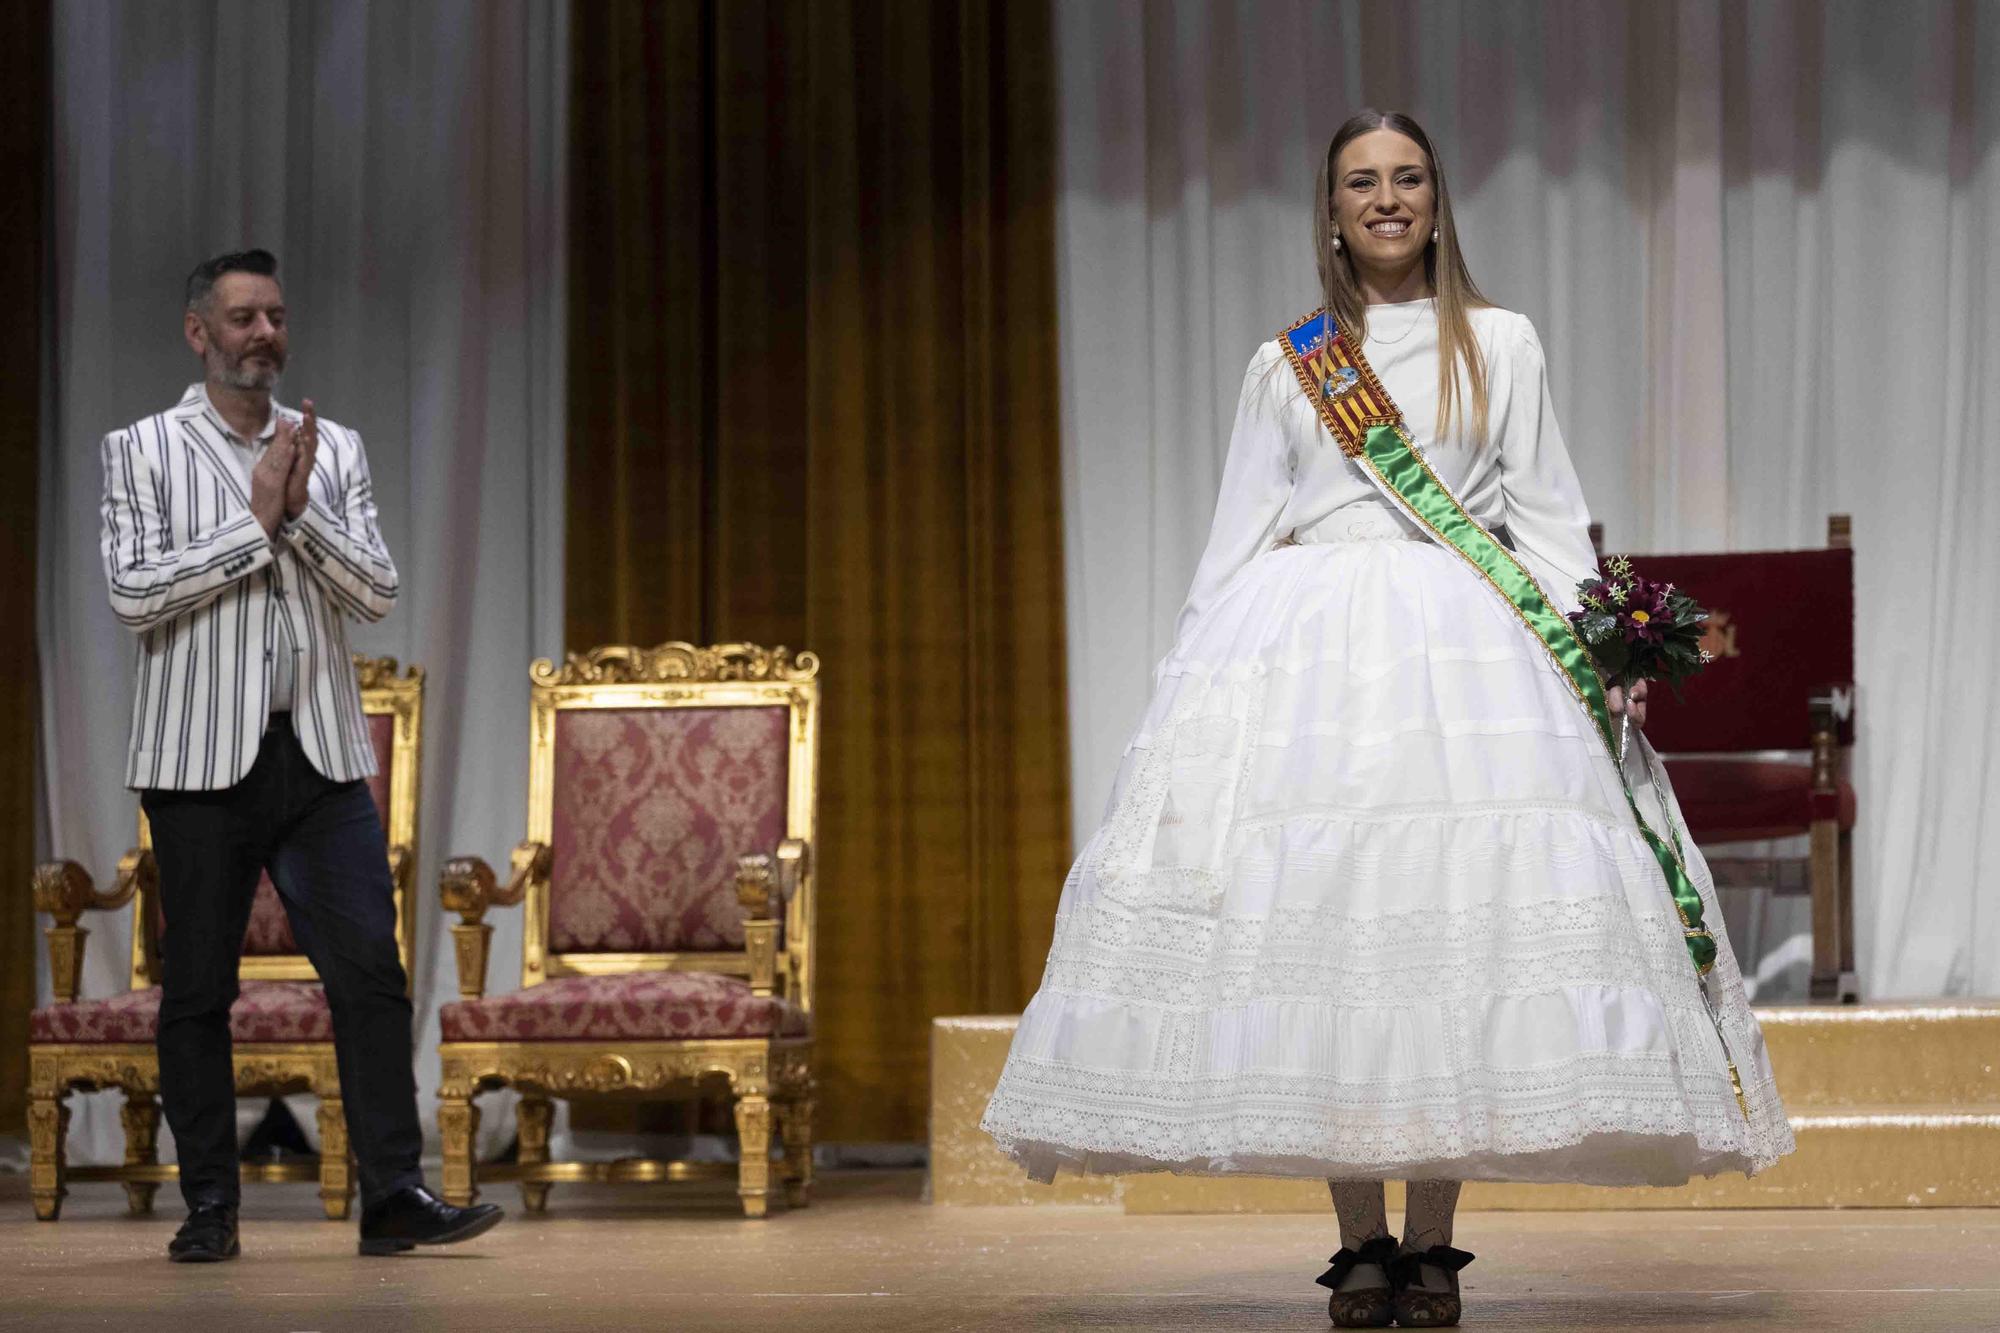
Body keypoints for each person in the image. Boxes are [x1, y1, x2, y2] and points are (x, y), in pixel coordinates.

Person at [980, 112, 1794, 1327]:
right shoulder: (1288, 362)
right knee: (1328, 929)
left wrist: (1598, 647)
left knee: (1449, 928)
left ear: (1435, 198)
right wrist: (1187, 682)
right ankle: (1356, 1241)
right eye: (1361, 181)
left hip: (1462, 659)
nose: (1385, 199)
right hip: (1306, 661)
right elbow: (1239, 528)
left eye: (1406, 178)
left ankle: (1430, 1243)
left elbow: (1549, 515)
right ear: (1330, 207)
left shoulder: (1500, 342)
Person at [98, 249, 503, 1262]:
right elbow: (134, 595)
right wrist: (254, 522)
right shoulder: (142, 449)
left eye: (276, 316)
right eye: (242, 318)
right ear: (200, 333)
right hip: (196, 766)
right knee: (197, 987)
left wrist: (301, 509)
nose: (264, 335)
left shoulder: (336, 448)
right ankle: (210, 1209)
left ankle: (394, 1193)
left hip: (317, 753)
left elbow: (374, 592)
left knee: (369, 972)